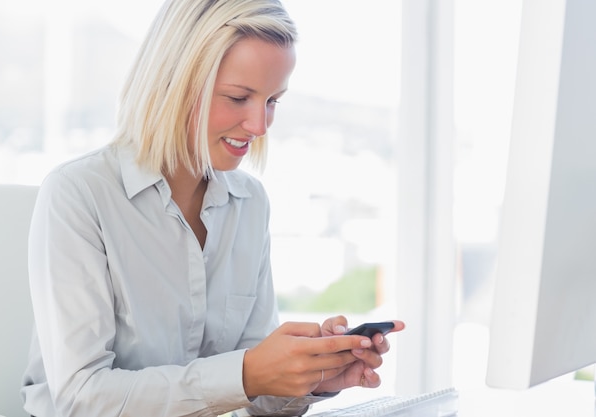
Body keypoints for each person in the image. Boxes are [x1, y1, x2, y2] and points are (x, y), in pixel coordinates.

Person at [21, 0, 405, 416]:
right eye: (239, 97)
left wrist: (307, 379)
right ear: (175, 82)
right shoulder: (78, 195)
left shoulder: (249, 203)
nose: (259, 127)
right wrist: (248, 374)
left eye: (273, 101)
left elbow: (251, 392)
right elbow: (81, 399)